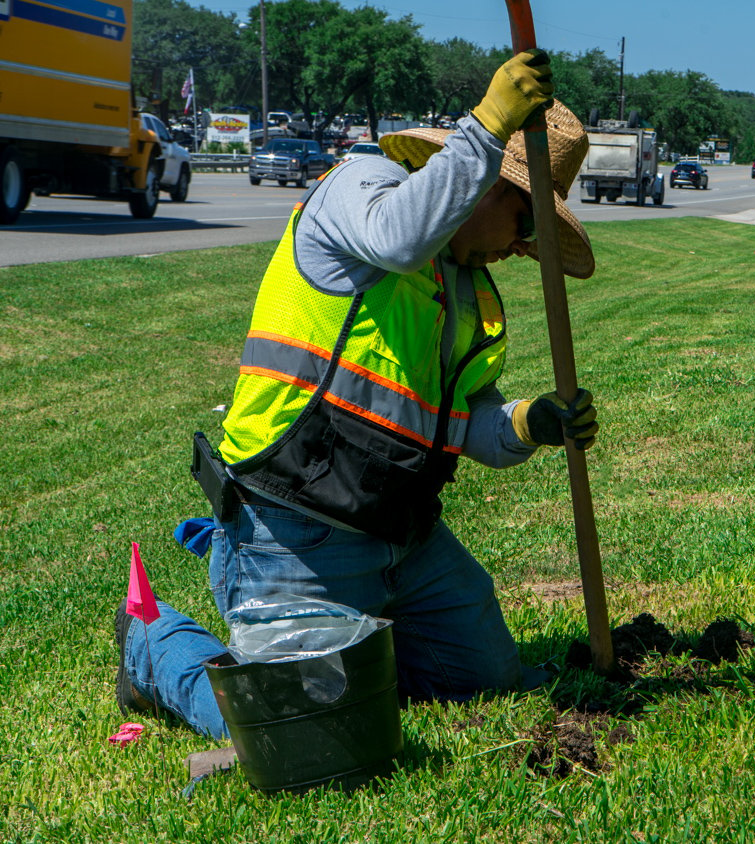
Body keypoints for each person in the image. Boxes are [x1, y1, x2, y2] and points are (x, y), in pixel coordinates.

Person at [114, 50, 600, 738]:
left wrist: (530, 422)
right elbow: (398, 238)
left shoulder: (466, 290)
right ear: (486, 181)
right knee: (302, 732)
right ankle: (153, 647)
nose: (520, 248)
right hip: (295, 529)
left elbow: (464, 422)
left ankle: (362, 651)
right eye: (526, 224)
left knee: (489, 680)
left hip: (406, 537)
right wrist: (490, 125)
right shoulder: (362, 186)